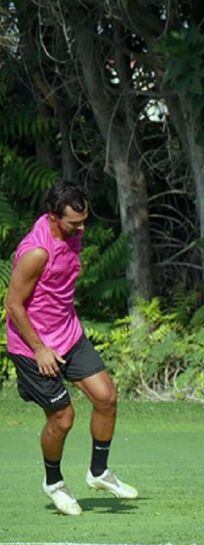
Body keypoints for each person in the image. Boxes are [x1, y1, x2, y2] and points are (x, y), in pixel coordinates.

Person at [5, 180, 138, 515]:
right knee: (63, 418)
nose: (82, 228)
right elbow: (14, 305)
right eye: (74, 223)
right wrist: (39, 349)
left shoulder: (72, 234)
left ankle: (99, 472)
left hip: (69, 334)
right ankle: (54, 483)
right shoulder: (37, 252)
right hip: (32, 345)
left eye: (84, 220)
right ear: (52, 216)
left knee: (106, 397)